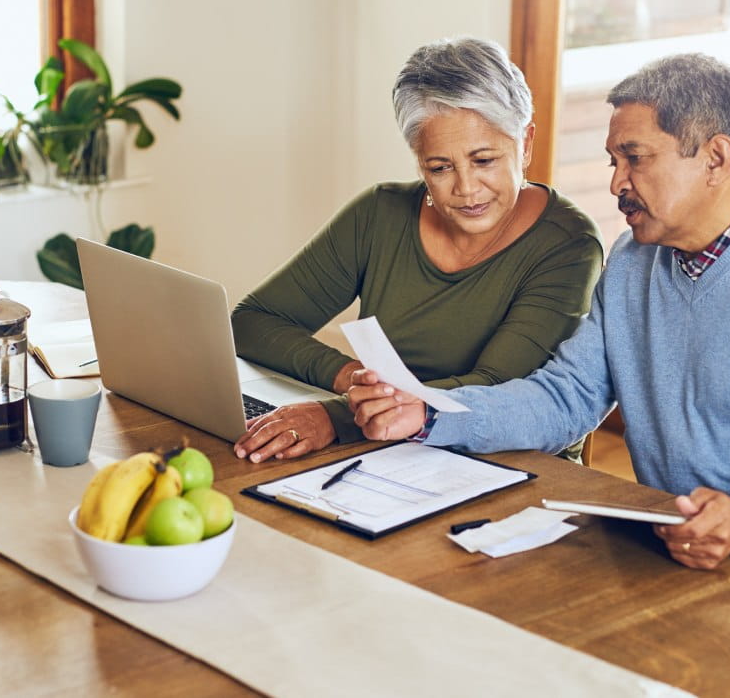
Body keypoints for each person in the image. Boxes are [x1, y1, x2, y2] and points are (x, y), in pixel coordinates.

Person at [347, 53, 730, 572]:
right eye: (612, 161)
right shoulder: (633, 261)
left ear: (716, 158)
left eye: (634, 158)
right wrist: (427, 414)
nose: (615, 183)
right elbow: (565, 398)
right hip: (688, 553)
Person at [230, 37, 603, 463]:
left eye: (484, 161)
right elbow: (253, 322)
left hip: (508, 464)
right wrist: (354, 381)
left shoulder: (568, 244)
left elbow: (497, 388)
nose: (466, 189)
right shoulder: (380, 213)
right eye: (439, 167)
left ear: (526, 143)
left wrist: (338, 417)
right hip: (388, 453)